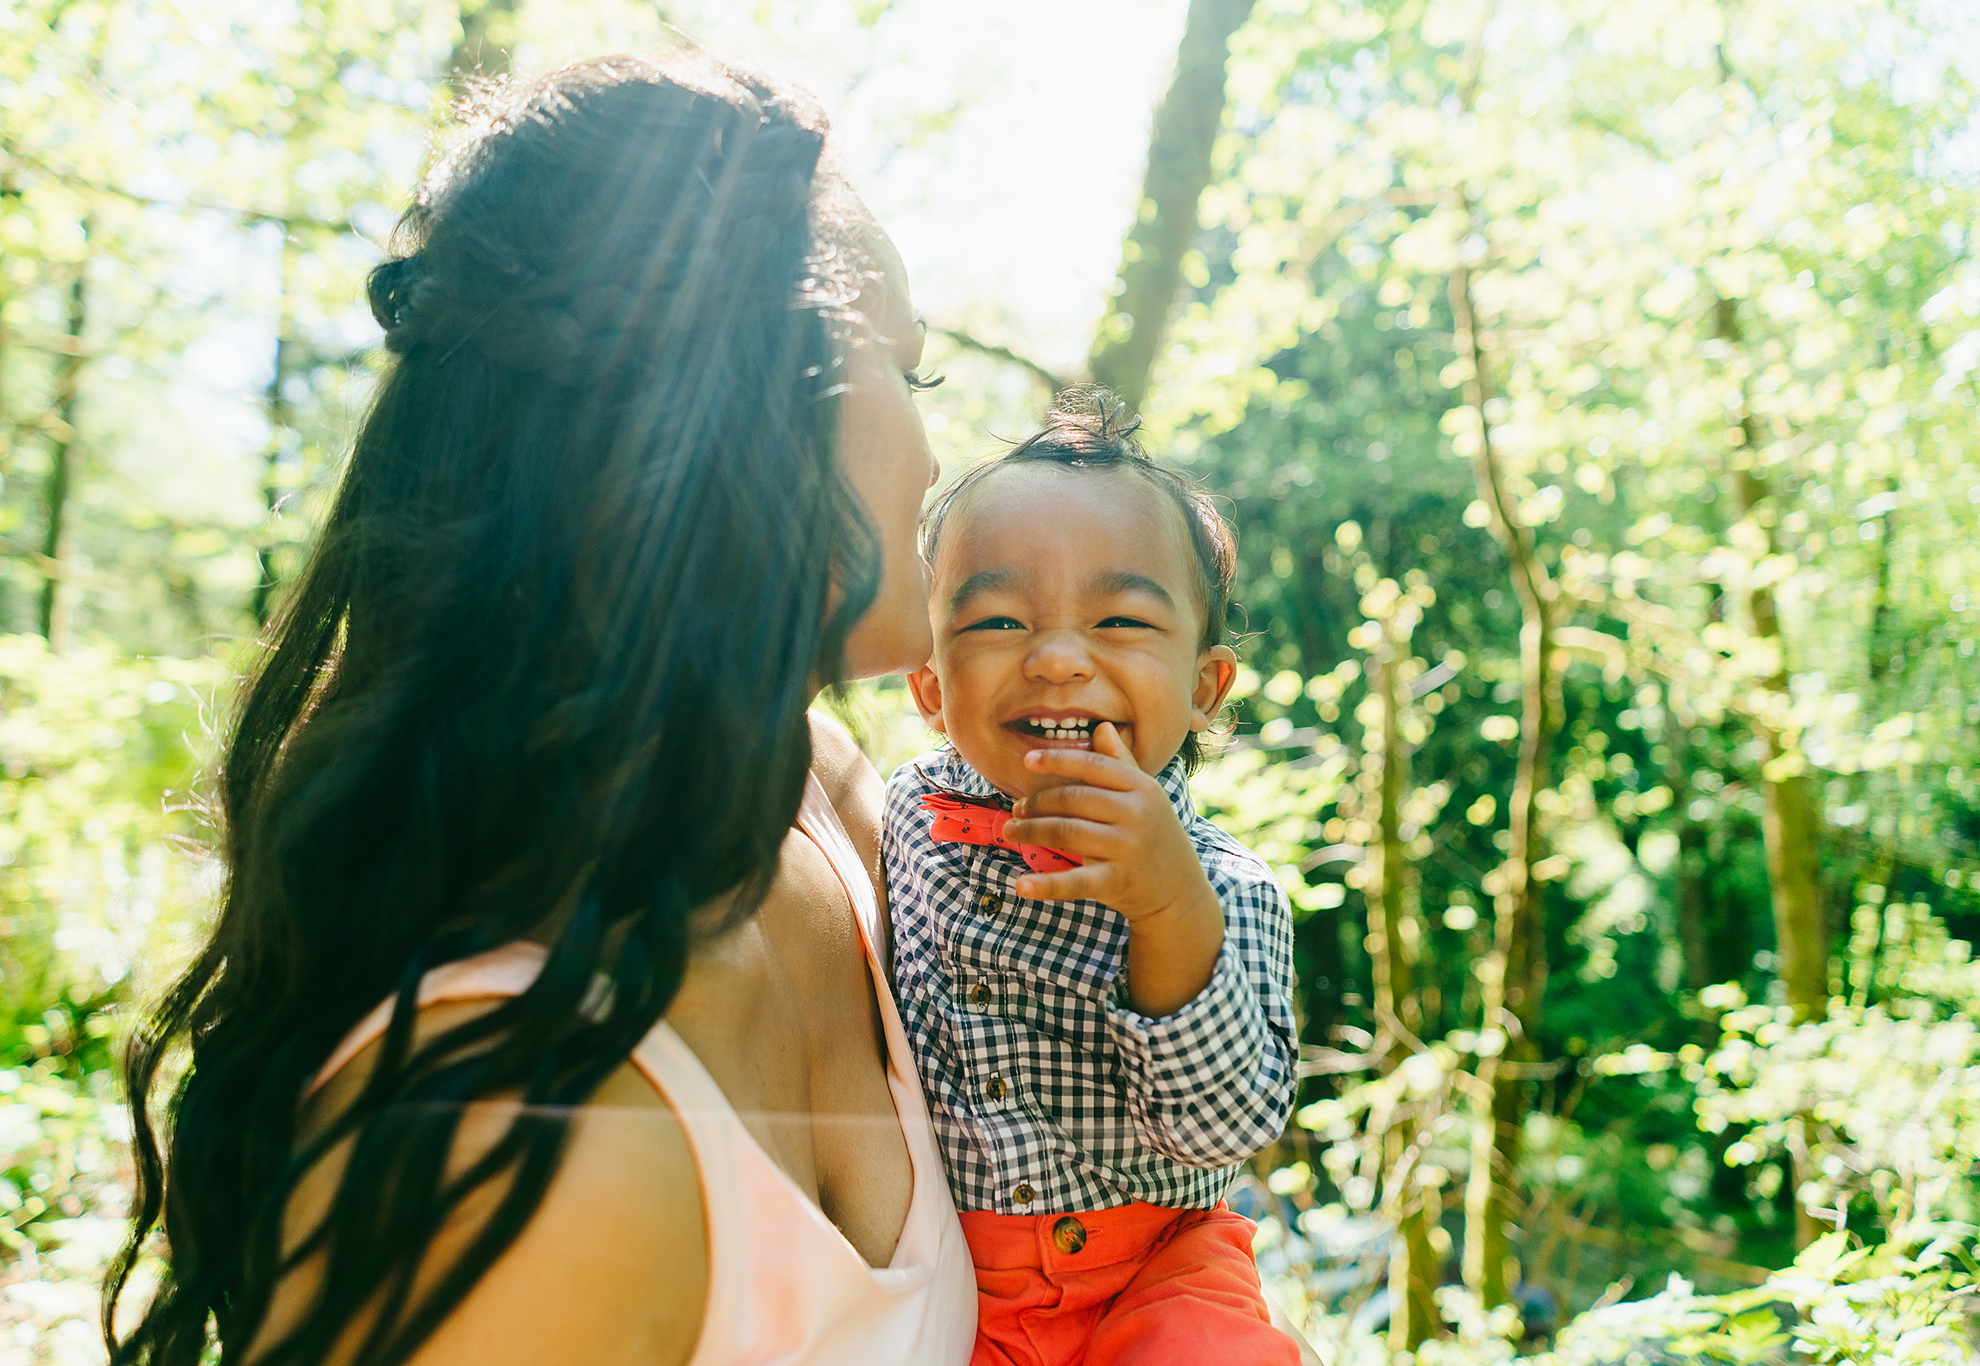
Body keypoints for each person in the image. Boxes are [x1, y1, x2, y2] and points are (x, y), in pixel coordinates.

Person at [106, 53, 977, 1366]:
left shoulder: (820, 790)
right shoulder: (499, 1142)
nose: (931, 456)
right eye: (903, 377)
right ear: (743, 405)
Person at [885, 393, 1310, 1366]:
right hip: (954, 1279)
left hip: (1159, 1269)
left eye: (1118, 619)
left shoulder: (1225, 890)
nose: (1056, 659)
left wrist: (1165, 909)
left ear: (1202, 688)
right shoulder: (903, 814)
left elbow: (1222, 1130)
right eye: (996, 619)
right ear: (927, 682)